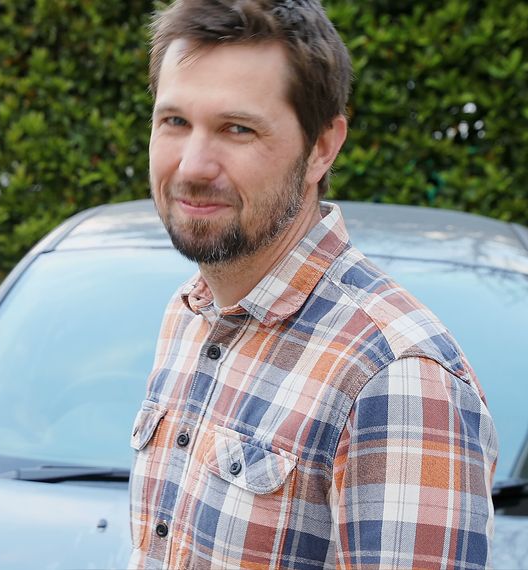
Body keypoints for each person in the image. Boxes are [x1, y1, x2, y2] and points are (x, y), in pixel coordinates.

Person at [129, 1, 498, 568]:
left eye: (237, 128)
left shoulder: (396, 381)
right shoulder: (188, 313)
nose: (193, 165)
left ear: (322, 148)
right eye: (175, 122)